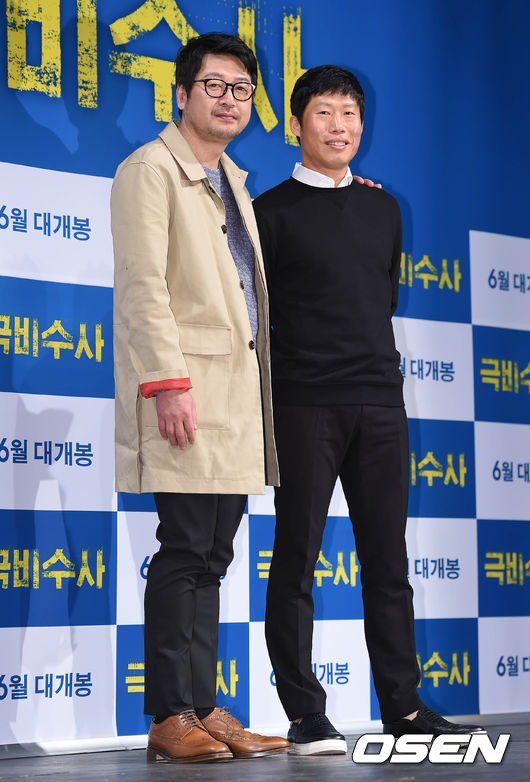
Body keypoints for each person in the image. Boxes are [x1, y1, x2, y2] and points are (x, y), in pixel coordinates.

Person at [253, 65, 485, 756]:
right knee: (296, 559)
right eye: (324, 112)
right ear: (297, 125)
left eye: (350, 113)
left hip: (381, 402)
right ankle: (305, 713)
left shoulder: (385, 209)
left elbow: (379, 298)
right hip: (304, 403)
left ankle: (403, 709)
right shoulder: (268, 212)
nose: (340, 126)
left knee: (388, 563)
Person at [111, 32, 289, 763]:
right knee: (184, 550)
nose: (229, 100)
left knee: (214, 554)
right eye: (214, 86)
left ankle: (204, 707)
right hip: (185, 390)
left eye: (242, 89)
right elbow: (142, 287)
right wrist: (167, 384)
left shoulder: (231, 180)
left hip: (233, 397)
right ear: (181, 94)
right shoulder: (149, 170)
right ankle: (168, 715)